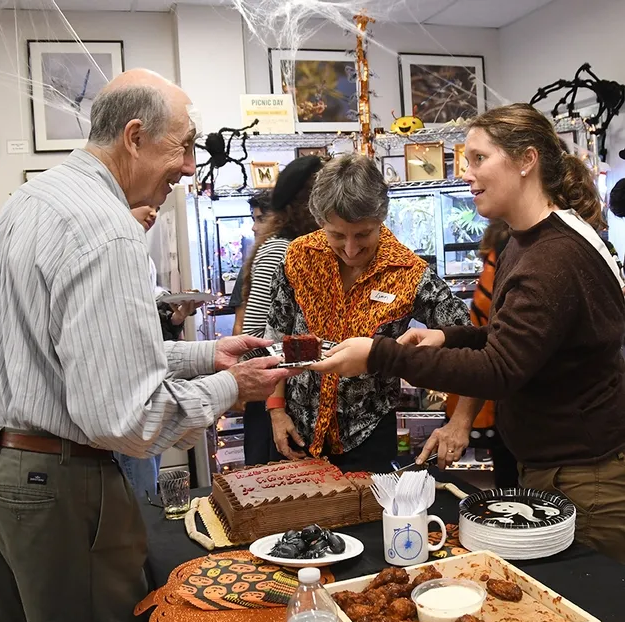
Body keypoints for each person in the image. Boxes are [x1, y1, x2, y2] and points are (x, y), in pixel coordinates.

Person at [0, 69, 294, 622]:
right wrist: (235, 386)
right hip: (57, 488)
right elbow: (130, 420)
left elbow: (72, 358)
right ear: (134, 135)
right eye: (186, 145)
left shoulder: (29, 201)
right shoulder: (109, 229)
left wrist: (206, 355)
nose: (192, 166)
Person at [311, 103, 625, 562]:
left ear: (525, 161)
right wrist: (450, 338)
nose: (466, 172)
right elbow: (516, 340)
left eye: (479, 158)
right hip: (558, 465)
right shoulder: (530, 240)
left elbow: (500, 370)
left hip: (584, 475)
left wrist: (381, 355)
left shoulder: (550, 258)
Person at [266, 153, 472, 473]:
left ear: (381, 218)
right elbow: (277, 336)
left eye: (363, 234)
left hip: (368, 436)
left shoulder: (408, 272)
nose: (350, 249)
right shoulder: (299, 256)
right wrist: (276, 410)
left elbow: (473, 343)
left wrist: (461, 422)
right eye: (337, 235)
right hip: (297, 429)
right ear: (321, 222)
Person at [115, 204, 200, 500]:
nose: (152, 213)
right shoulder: (113, 253)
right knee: (136, 482)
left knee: (147, 474)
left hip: (149, 385)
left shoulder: (140, 254)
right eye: (144, 206)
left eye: (156, 208)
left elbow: (150, 326)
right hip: (126, 390)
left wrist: (175, 318)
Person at [240, 156, 322, 465]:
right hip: (271, 400)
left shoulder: (297, 246)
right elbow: (254, 338)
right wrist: (275, 402)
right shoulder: (282, 250)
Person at [445, 219, 518, 487]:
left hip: (500, 395)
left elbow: (490, 336)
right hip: (503, 397)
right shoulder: (508, 252)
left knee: (510, 484)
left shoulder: (503, 253)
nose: (470, 176)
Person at [230, 191, 272, 336]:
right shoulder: (249, 268)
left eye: (261, 219)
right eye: (254, 219)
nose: (254, 227)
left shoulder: (300, 259)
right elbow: (240, 324)